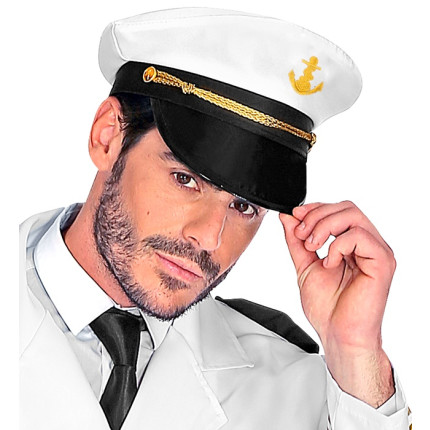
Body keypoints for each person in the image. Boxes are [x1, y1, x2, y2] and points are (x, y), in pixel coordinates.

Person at [19, 7, 411, 430]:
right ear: (108, 137)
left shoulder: (305, 389)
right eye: (185, 179)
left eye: (244, 206)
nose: (210, 237)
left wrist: (357, 354)